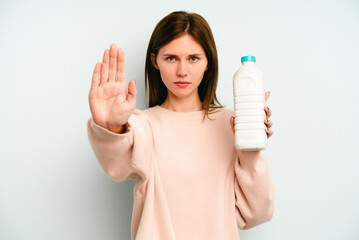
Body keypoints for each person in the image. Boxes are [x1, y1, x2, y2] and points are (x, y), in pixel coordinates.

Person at [87, 11, 274, 240]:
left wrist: (251, 150)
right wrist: (111, 126)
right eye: (171, 58)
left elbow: (257, 213)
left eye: (193, 58)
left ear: (208, 62)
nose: (182, 71)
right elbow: (115, 162)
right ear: (155, 61)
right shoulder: (143, 126)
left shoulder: (232, 124)